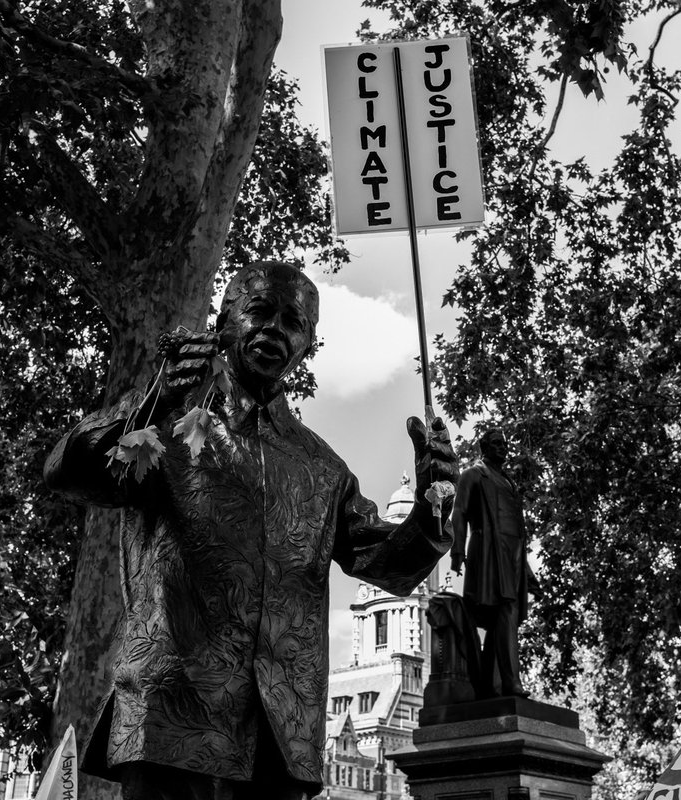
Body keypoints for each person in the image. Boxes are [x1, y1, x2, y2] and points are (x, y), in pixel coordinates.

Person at [44, 261, 456, 800]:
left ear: (308, 342)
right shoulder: (165, 422)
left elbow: (390, 565)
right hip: (173, 717)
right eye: (259, 312)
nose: (275, 331)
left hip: (281, 737)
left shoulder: (322, 468)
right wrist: (155, 399)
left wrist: (432, 509)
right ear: (224, 320)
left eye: (294, 322)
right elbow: (68, 472)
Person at [450, 428, 536, 699]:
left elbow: (518, 530)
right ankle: (511, 683)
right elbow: (459, 511)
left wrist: (528, 573)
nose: (503, 447)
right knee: (505, 615)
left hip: (513, 557)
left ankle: (489, 684)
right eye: (497, 444)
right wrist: (457, 551)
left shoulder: (508, 482)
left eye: (505, 443)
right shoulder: (473, 475)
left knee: (506, 619)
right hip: (488, 554)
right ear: (484, 447)